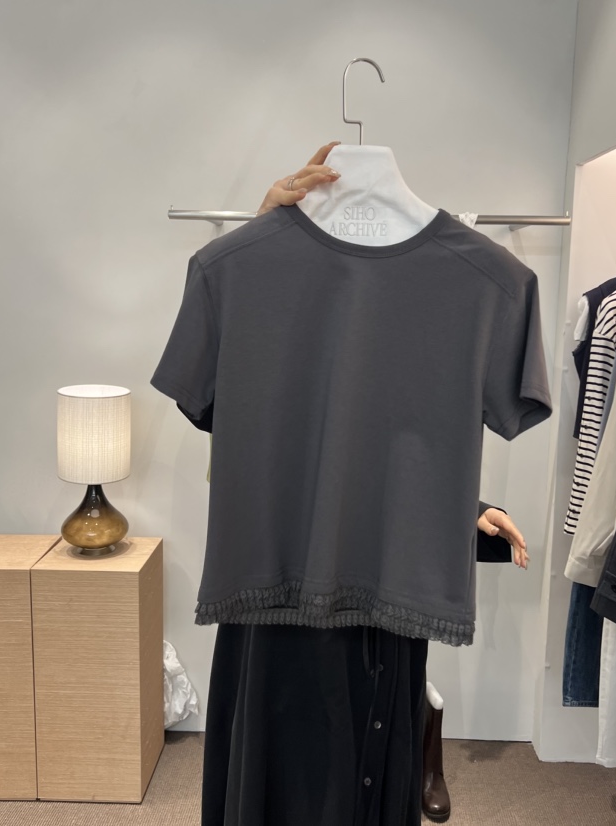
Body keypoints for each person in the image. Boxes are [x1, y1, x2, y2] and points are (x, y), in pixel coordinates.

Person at [193, 144, 530, 825]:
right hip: (272, 588)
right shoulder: (228, 270)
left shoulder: (488, 282)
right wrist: (261, 241)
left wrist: (461, 510)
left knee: (346, 779)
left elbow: (394, 419)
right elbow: (245, 422)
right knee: (277, 772)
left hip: (373, 592)